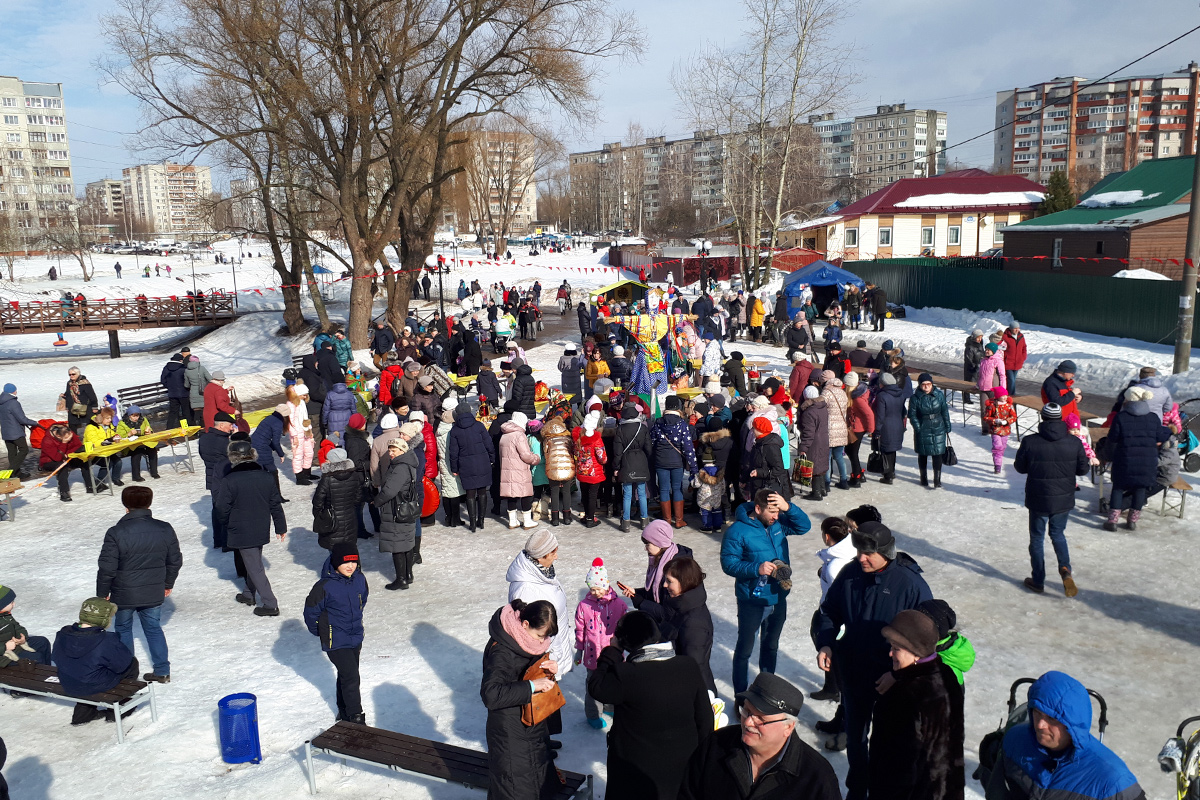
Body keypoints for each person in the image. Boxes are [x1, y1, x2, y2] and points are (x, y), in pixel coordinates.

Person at [816, 521, 933, 800]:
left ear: (886, 551)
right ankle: (856, 792)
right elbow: (829, 612)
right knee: (856, 741)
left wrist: (900, 675)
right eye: (858, 551)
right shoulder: (850, 574)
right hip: (855, 674)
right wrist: (827, 644)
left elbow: (927, 646)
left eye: (867, 553)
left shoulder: (911, 584)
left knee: (889, 746)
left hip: (893, 684)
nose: (861, 558)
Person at [588, 611, 714, 800]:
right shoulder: (688, 665)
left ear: (625, 642)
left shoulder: (626, 675)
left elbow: (597, 687)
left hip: (636, 772)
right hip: (681, 766)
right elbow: (705, 718)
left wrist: (612, 651)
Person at [984, 671, 1147, 800]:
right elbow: (997, 792)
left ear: (1073, 724)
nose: (1040, 725)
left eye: (1051, 718)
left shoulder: (1113, 780)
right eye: (1037, 713)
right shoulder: (1015, 740)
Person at [678, 672, 842, 800]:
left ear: (788, 727)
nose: (748, 722)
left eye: (761, 719)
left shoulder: (816, 778)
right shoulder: (716, 746)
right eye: (747, 711)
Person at [721, 489, 812, 694]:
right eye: (772, 512)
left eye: (778, 511)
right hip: (752, 600)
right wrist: (756, 569)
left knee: (771, 646)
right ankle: (741, 695)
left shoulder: (777, 524)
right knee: (745, 650)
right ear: (758, 508)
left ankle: (766, 690)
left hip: (778, 596)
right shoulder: (737, 531)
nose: (775, 516)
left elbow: (804, 526)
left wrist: (787, 507)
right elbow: (728, 564)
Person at [868, 610, 963, 800]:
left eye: (897, 648)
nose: (890, 653)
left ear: (917, 653)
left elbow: (898, 766)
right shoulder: (946, 674)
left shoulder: (904, 695)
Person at [95, 485, 181, 684]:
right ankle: (162, 671)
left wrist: (102, 593)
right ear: (149, 503)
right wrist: (167, 583)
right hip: (153, 589)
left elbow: (107, 567)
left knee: (123, 629)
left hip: (124, 593)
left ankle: (127, 672)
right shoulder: (164, 528)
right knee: (153, 628)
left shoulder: (116, 532)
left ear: (125, 505)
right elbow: (175, 560)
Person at [481, 599, 561, 800]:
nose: (542, 642)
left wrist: (547, 670)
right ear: (525, 624)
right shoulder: (502, 650)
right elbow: (491, 694)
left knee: (536, 786)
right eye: (539, 636)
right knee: (515, 790)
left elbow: (525, 671)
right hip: (510, 732)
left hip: (531, 726)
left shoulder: (527, 641)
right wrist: (533, 686)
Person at [1013, 403, 1089, 596]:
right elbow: (1083, 469)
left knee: (1037, 538)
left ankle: (1038, 580)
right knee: (1058, 535)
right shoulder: (1074, 442)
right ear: (1060, 418)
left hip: (1038, 497)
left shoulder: (1030, 441)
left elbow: (1020, 467)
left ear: (1043, 417)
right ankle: (1065, 569)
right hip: (1063, 498)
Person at [214, 439, 287, 615]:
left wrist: (225, 523)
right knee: (253, 562)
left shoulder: (230, 480)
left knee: (254, 567)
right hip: (261, 526)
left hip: (241, 530)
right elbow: (275, 504)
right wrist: (280, 526)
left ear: (233, 458)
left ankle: (270, 604)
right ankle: (248, 594)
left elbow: (221, 507)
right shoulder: (265, 476)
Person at [630, 555, 716, 696]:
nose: (664, 585)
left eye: (669, 581)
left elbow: (693, 667)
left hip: (690, 692)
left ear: (684, 582)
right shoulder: (680, 605)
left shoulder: (694, 624)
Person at [304, 542, 369, 724]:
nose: (350, 566)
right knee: (352, 676)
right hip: (335, 639)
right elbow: (311, 611)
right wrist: (321, 631)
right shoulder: (325, 586)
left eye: (354, 562)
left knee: (346, 674)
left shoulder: (360, 579)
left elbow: (362, 600)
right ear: (335, 563)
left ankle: (344, 712)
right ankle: (356, 718)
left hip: (355, 636)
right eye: (345, 562)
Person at [52, 597, 138, 725]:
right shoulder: (105, 640)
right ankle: (117, 709)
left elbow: (56, 657)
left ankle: (83, 713)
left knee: (84, 670)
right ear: (103, 619)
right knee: (131, 664)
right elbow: (122, 664)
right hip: (92, 685)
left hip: (68, 681)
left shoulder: (63, 633)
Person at [506, 530, 574, 682]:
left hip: (554, 655)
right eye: (553, 553)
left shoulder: (541, 572)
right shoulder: (525, 591)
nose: (556, 557)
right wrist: (551, 659)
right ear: (540, 556)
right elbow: (530, 635)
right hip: (544, 664)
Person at [1104, 385, 1171, 531]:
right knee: (1140, 488)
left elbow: (1113, 438)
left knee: (1118, 487)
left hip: (1124, 459)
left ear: (1127, 401)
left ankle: (1112, 521)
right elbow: (1161, 435)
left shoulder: (1121, 417)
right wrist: (1167, 431)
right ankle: (1132, 521)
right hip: (1147, 461)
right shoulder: (1153, 418)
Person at [574, 558, 628, 731]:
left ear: (606, 584)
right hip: (592, 655)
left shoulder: (619, 605)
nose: (595, 592)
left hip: (613, 653)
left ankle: (610, 707)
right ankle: (593, 714)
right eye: (592, 589)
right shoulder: (584, 606)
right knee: (593, 686)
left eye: (598, 588)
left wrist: (625, 646)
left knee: (612, 682)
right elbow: (580, 629)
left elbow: (624, 627)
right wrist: (579, 651)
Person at [373, 436, 420, 590]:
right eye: (390, 450)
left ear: (402, 450)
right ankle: (408, 575)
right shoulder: (408, 463)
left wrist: (377, 501)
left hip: (396, 510)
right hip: (406, 509)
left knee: (397, 546)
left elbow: (389, 491)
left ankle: (401, 580)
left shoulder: (400, 467)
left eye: (394, 450)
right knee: (405, 544)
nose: (391, 453)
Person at [651, 395, 697, 528]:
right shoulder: (682, 423)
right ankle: (678, 520)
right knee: (677, 489)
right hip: (677, 462)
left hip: (661, 461)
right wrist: (693, 468)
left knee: (664, 490)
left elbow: (652, 442)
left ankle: (666, 520)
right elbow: (688, 447)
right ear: (677, 407)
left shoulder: (658, 423)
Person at [448, 404, 494, 532]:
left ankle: (472, 522)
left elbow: (453, 452)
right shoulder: (478, 425)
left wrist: (454, 468)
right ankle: (481, 520)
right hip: (482, 462)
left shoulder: (455, 430)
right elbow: (488, 443)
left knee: (470, 493)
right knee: (482, 492)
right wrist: (492, 458)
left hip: (466, 465)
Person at [312, 447, 364, 551]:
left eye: (328, 459)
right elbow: (358, 496)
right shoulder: (354, 475)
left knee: (335, 552)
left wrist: (320, 515)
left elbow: (318, 501)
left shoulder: (327, 478)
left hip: (332, 520)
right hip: (350, 517)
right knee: (350, 549)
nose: (326, 461)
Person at [612, 403, 652, 531]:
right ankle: (644, 520)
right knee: (641, 492)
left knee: (627, 494)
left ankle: (626, 522)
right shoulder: (642, 427)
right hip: (641, 460)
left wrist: (616, 467)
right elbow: (648, 448)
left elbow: (617, 452)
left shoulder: (620, 430)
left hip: (626, 462)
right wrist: (645, 458)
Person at [908, 373, 951, 489]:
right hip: (923, 426)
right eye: (923, 384)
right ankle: (923, 478)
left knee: (937, 454)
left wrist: (947, 425)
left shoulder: (939, 395)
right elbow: (912, 415)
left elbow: (944, 411)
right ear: (920, 385)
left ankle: (937, 480)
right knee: (923, 454)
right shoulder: (915, 398)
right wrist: (917, 427)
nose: (926, 386)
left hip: (938, 426)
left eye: (929, 384)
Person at [499, 411, 540, 529]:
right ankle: (527, 521)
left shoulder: (505, 435)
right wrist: (535, 458)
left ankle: (512, 521)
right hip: (519, 469)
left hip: (507, 470)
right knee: (526, 494)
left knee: (511, 494)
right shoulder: (519, 435)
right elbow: (526, 455)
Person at [0, 584, 52, 669]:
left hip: (15, 646)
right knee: (36, 657)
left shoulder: (5, 615)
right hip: (4, 656)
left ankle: (49, 671)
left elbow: (17, 627)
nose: (14, 604)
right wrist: (5, 647)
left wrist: (22, 637)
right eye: (11, 602)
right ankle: (41, 678)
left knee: (43, 642)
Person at [872, 372, 905, 485]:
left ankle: (887, 475)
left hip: (886, 425)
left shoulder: (882, 396)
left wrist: (877, 430)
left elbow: (880, 415)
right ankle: (892, 471)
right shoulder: (900, 394)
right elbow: (903, 411)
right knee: (892, 450)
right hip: (897, 424)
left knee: (885, 449)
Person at [575, 414, 607, 527]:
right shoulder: (596, 439)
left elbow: (575, 453)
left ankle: (586, 516)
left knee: (584, 494)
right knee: (592, 496)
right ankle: (590, 519)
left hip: (581, 472)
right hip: (594, 472)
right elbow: (602, 457)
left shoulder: (578, 438)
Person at [750, 414, 793, 501]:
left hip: (769, 488)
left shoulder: (770, 445)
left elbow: (778, 468)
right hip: (760, 485)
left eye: (754, 428)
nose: (752, 430)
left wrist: (759, 472)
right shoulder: (759, 442)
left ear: (760, 429)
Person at [0, 384, 37, 479]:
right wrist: (35, 423)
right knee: (24, 450)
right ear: (13, 391)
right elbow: (22, 419)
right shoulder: (13, 403)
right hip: (16, 432)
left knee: (12, 453)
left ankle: (17, 473)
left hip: (6, 432)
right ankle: (11, 471)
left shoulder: (1, 402)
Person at [83, 407, 125, 490]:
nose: (110, 420)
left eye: (111, 418)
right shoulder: (91, 427)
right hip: (93, 453)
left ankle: (116, 478)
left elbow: (112, 434)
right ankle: (99, 482)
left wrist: (115, 436)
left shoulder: (108, 426)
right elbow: (94, 442)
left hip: (106, 450)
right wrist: (109, 440)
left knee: (118, 461)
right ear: (100, 418)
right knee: (108, 463)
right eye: (107, 418)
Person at [116, 405, 161, 482]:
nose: (135, 418)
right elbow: (119, 436)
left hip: (143, 443)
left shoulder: (143, 420)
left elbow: (150, 429)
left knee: (152, 450)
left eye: (137, 415)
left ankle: (154, 472)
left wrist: (149, 431)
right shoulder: (122, 423)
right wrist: (128, 434)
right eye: (133, 416)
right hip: (130, 446)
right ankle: (136, 476)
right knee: (137, 453)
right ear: (129, 415)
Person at [844, 372, 873, 487]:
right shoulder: (857, 394)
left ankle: (856, 478)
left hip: (858, 429)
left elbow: (869, 414)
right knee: (850, 451)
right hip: (855, 427)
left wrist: (871, 429)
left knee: (852, 452)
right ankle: (859, 474)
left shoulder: (857, 399)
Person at [984, 386, 1017, 474]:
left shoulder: (1009, 406)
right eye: (1003, 395)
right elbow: (986, 417)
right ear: (998, 396)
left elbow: (1014, 417)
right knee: (997, 447)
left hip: (1005, 430)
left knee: (1003, 447)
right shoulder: (992, 406)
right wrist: (995, 421)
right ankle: (997, 465)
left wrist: (1007, 421)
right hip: (995, 430)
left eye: (1006, 395)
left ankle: (998, 458)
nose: (1005, 397)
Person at [63, 366, 99, 434]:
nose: (71, 376)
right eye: (70, 374)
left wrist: (94, 407)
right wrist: (67, 407)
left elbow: (92, 395)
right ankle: (75, 440)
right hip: (72, 408)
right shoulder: (69, 383)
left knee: (87, 424)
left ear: (78, 374)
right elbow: (68, 394)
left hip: (84, 407)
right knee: (72, 425)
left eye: (73, 374)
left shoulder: (85, 383)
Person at [160, 354, 191, 428]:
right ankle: (187, 427)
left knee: (173, 412)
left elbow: (163, 380)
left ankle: (169, 428)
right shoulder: (183, 368)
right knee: (186, 412)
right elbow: (187, 380)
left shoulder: (166, 368)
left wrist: (169, 387)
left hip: (172, 393)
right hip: (184, 393)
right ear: (180, 360)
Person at [184, 354, 213, 425]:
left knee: (196, 412)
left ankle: (198, 428)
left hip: (193, 393)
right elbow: (210, 379)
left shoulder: (187, 371)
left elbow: (186, 385)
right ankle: (206, 426)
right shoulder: (202, 368)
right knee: (205, 410)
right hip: (203, 392)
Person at [1001, 322, 1027, 395]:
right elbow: (1001, 348)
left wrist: (1023, 357)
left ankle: (1007, 394)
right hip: (1008, 362)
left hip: (1018, 362)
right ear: (1011, 329)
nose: (1017, 330)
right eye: (1015, 328)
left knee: (1012, 380)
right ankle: (1012, 396)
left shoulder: (1021, 336)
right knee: (1011, 380)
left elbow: (1024, 347)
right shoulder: (1005, 337)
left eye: (1018, 328)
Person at [962, 330, 985, 404]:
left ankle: (982, 397)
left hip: (979, 366)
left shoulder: (980, 345)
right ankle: (966, 399)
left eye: (981, 337)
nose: (980, 339)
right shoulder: (970, 347)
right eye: (978, 337)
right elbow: (968, 359)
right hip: (971, 368)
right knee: (968, 383)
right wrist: (974, 366)